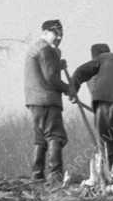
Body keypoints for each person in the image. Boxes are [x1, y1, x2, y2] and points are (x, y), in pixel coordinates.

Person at [71, 39, 113, 167]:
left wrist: (73, 90)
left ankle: (107, 176)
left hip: (100, 106)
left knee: (106, 144)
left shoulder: (104, 58)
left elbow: (80, 71)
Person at [23, 19, 74, 183]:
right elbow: (51, 78)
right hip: (48, 100)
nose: (59, 37)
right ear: (45, 33)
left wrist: (58, 64)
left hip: (34, 101)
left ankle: (37, 174)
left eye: (61, 35)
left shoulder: (35, 48)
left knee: (40, 138)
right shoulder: (46, 50)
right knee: (55, 136)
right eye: (56, 34)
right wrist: (68, 89)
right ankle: (55, 175)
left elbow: (46, 70)